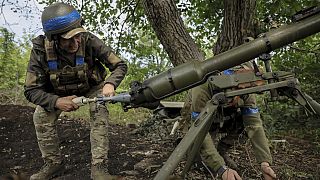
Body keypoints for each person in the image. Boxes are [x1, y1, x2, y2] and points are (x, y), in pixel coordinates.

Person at [24, 2, 127, 180]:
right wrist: (56, 102)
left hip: (92, 88)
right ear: (54, 39)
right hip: (58, 93)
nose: (76, 42)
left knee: (99, 110)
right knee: (40, 116)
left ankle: (99, 167)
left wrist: (110, 84)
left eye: (77, 36)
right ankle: (53, 164)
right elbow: (31, 89)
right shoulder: (40, 51)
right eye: (68, 39)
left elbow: (119, 65)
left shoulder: (89, 40)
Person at [190, 63, 277, 180]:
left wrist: (264, 162)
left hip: (223, 116)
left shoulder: (247, 90)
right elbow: (200, 131)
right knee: (202, 163)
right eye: (238, 89)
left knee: (245, 123)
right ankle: (197, 156)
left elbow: (254, 124)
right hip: (200, 119)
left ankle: (222, 150)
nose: (242, 93)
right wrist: (220, 168)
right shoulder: (203, 87)